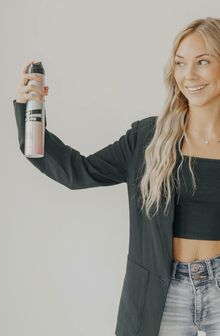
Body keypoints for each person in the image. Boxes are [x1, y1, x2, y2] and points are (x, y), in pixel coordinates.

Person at [13, 17, 220, 336]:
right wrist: (30, 112)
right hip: (161, 291)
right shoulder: (148, 139)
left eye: (202, 61)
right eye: (180, 63)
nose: (188, 75)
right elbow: (76, 172)